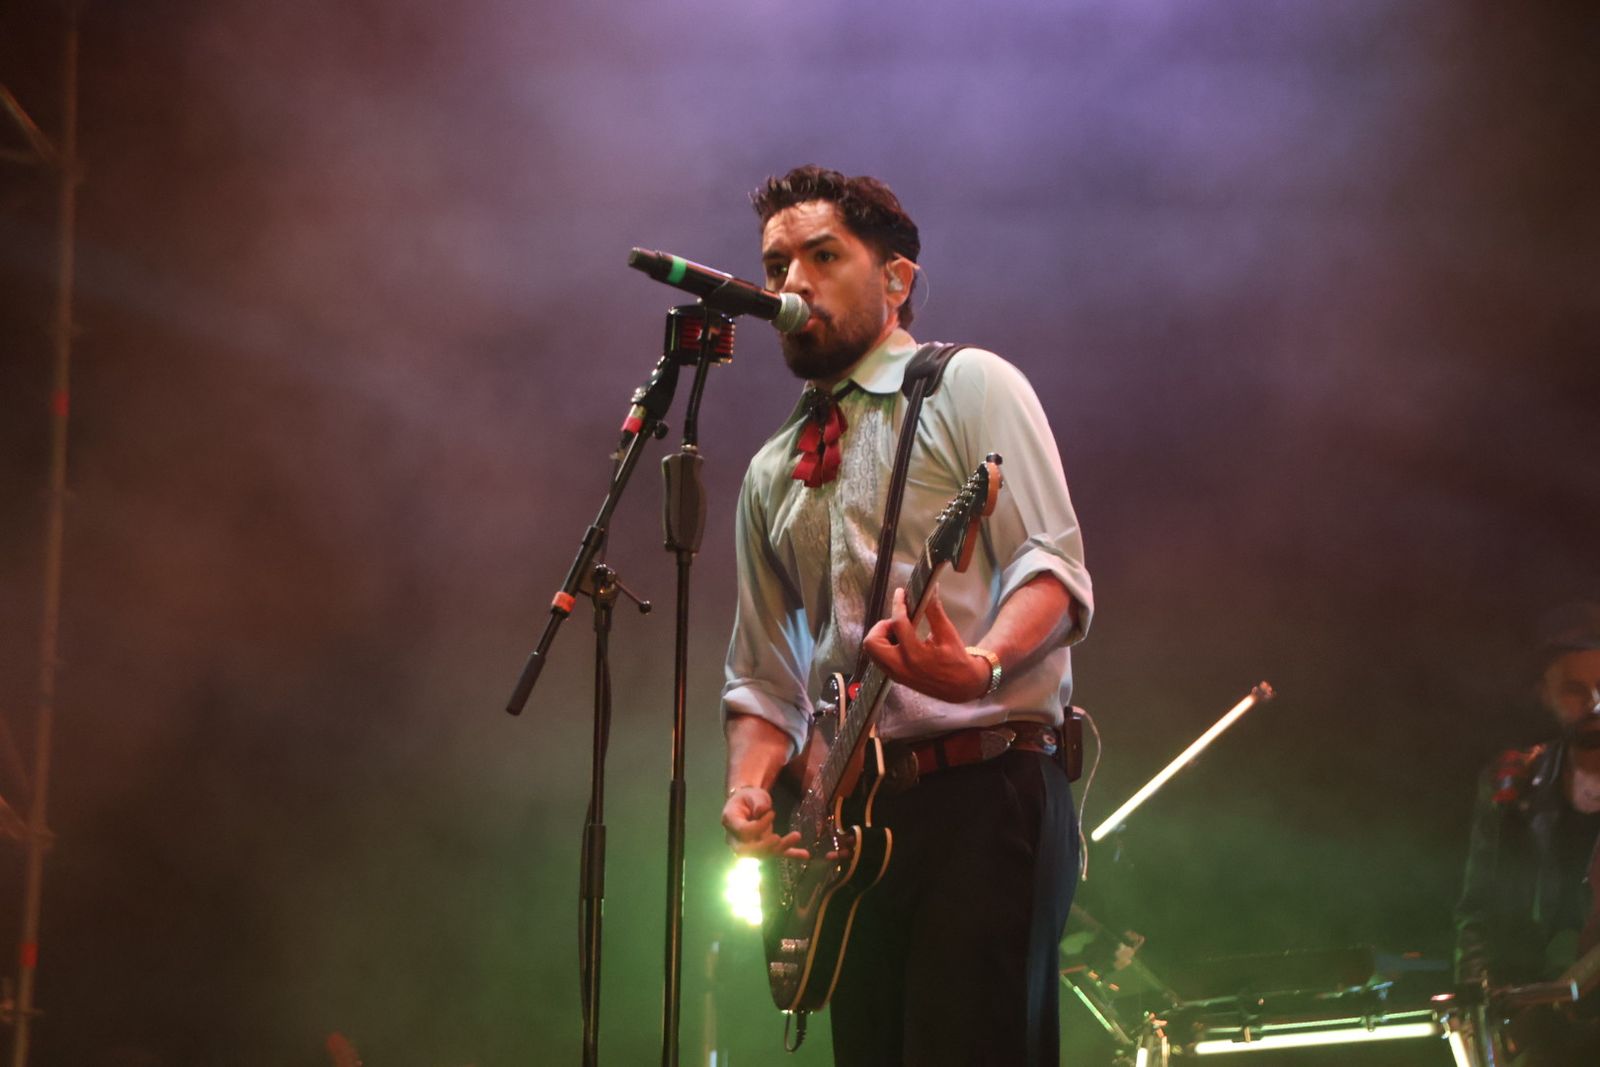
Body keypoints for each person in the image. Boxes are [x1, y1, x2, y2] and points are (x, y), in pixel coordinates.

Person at [718, 165, 1093, 1066]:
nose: (792, 283)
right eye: (775, 266)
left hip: (985, 788)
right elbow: (764, 679)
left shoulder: (970, 384)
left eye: (822, 256)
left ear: (895, 278)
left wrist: (982, 664)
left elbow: (1052, 566)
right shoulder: (771, 470)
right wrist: (751, 784)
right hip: (852, 827)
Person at [1455, 601, 1600, 1063]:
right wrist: (1478, 1014)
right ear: (1544, 694)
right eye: (1575, 690)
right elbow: (1479, 912)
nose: (1596, 702)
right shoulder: (1514, 781)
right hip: (1543, 1034)